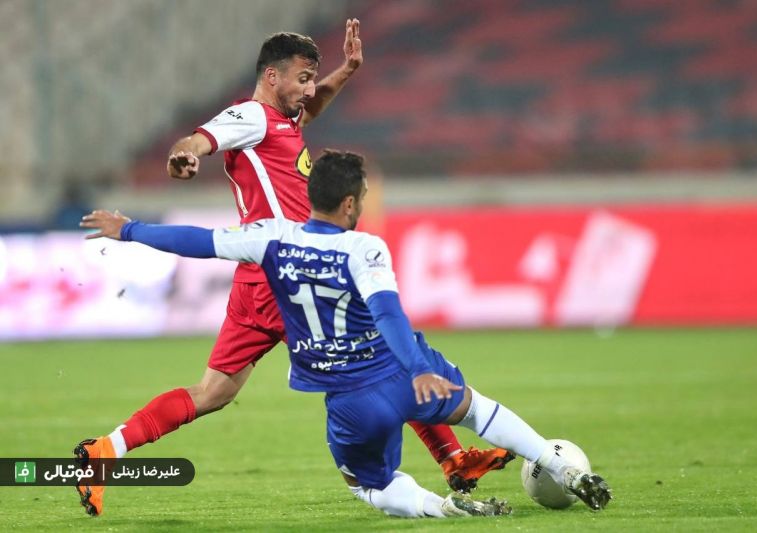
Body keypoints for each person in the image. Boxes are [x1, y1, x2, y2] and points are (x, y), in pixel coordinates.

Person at [74, 22, 509, 517]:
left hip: (257, 279)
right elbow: (200, 138)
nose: (308, 88)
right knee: (381, 354)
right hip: (289, 275)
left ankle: (106, 450)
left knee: (213, 392)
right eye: (302, 78)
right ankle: (452, 458)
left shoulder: (283, 119)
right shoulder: (250, 116)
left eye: (311, 79)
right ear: (271, 76)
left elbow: (312, 106)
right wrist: (184, 156)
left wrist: (347, 71)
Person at [80, 150, 612, 518]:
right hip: (398, 373)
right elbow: (389, 315)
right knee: (477, 409)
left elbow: (198, 240)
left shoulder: (271, 237)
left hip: (350, 402)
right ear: (351, 204)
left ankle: (442, 508)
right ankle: (558, 465)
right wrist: (417, 367)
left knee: (367, 486)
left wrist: (130, 230)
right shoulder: (365, 248)